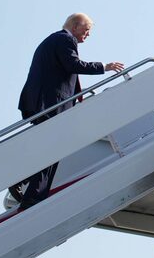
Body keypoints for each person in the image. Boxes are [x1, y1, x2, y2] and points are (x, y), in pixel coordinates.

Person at [12, 13, 124, 209]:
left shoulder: (55, 39)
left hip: (42, 103)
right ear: (75, 26)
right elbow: (73, 65)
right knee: (52, 150)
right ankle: (32, 196)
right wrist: (104, 67)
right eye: (87, 29)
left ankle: (25, 185)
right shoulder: (65, 39)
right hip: (48, 104)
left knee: (49, 149)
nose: (88, 34)